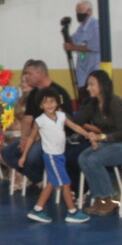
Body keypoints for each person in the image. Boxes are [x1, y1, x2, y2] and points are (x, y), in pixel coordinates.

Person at [20, 88, 90, 224]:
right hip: (51, 157)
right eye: (45, 102)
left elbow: (74, 127)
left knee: (51, 184)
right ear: (41, 105)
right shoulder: (40, 121)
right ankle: (72, 212)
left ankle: (37, 209)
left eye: (52, 101)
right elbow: (31, 138)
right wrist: (24, 155)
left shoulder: (62, 116)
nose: (49, 105)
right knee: (66, 183)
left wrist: (87, 135)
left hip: (60, 155)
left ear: (57, 103)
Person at [70, 70, 122, 216]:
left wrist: (102, 137)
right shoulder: (92, 104)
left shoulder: (115, 103)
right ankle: (99, 198)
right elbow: (78, 121)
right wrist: (60, 117)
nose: (88, 88)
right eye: (88, 85)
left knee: (93, 159)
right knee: (83, 158)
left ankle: (110, 198)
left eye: (91, 84)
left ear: (102, 85)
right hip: (107, 142)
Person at [1, 60, 74, 186]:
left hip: (53, 138)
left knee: (32, 155)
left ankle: (50, 181)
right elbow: (27, 119)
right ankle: (39, 180)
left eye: (29, 73)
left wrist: (33, 139)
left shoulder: (58, 92)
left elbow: (58, 124)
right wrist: (24, 139)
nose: (26, 76)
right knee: (7, 153)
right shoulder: (33, 94)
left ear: (40, 74)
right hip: (34, 136)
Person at [62, 0, 100, 106]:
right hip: (83, 73)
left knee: (93, 103)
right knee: (83, 102)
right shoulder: (82, 28)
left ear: (89, 11)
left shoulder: (95, 26)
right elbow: (73, 41)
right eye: (77, 11)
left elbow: (95, 46)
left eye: (81, 10)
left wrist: (72, 47)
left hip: (93, 70)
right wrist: (65, 32)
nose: (78, 13)